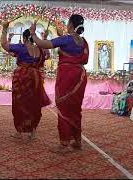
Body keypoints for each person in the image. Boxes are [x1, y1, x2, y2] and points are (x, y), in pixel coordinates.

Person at [30, 14, 89, 153]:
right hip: (80, 76)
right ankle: (77, 140)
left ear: (70, 25)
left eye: (68, 23)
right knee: (75, 108)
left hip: (67, 76)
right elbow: (84, 60)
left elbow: (42, 44)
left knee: (64, 108)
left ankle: (64, 143)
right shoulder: (83, 41)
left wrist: (33, 34)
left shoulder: (66, 39)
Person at [1, 21, 51, 140]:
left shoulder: (22, 47)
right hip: (36, 78)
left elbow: (4, 45)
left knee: (19, 103)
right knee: (34, 103)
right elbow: (47, 55)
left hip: (22, 78)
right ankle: (33, 131)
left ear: (24, 38)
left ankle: (19, 131)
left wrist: (4, 29)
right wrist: (44, 38)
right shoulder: (40, 49)